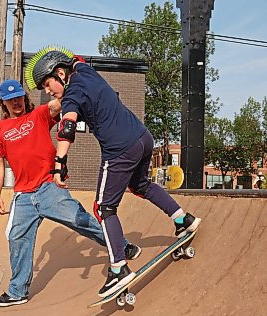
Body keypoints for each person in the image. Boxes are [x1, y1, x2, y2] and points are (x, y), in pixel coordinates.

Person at [24, 46, 201, 298]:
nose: (47, 91)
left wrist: (59, 163)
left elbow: (67, 127)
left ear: (61, 73)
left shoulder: (72, 94)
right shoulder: (86, 71)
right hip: (143, 138)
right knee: (140, 186)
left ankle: (118, 268)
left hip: (120, 151)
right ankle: (183, 219)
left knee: (104, 208)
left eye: (47, 83)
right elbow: (76, 59)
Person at [0, 79, 142, 307]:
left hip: (48, 186)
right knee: (16, 238)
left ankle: (122, 246)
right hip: (22, 195)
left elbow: (60, 102)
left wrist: (74, 80)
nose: (16, 102)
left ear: (24, 97)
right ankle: (17, 291)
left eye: (19, 97)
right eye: (10, 100)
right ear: (3, 103)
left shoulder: (39, 114)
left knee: (80, 220)